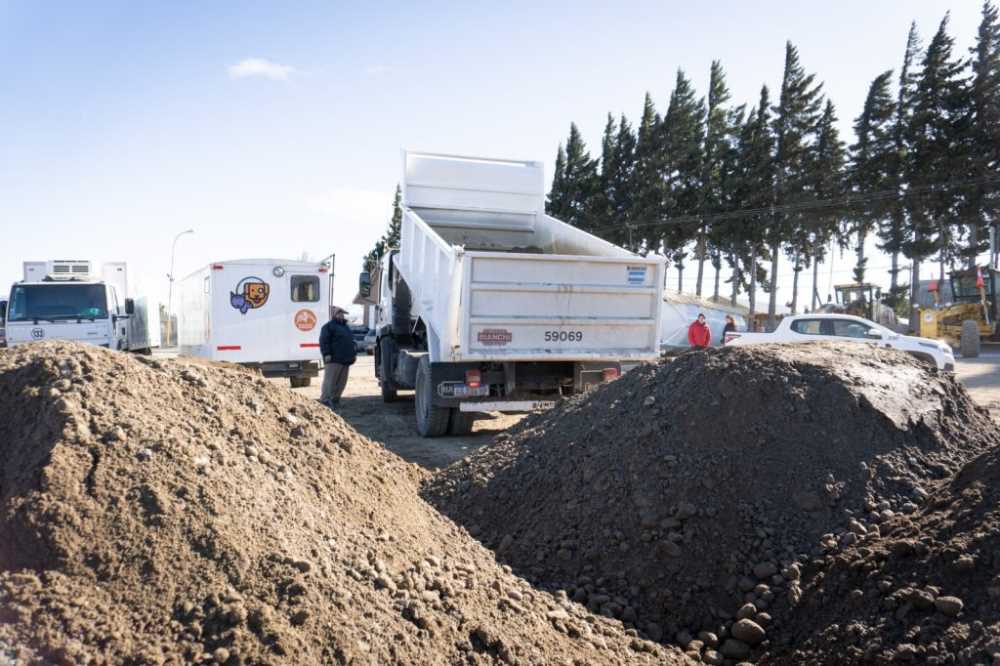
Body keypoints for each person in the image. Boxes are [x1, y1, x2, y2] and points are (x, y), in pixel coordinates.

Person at [319, 307, 357, 406]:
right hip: (333, 360)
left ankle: (335, 399)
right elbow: (324, 341)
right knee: (330, 382)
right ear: (334, 315)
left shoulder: (346, 327)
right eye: (339, 313)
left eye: (342, 313)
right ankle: (325, 400)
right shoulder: (328, 327)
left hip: (346, 360)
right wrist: (327, 354)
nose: (341, 315)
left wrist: (353, 354)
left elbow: (351, 342)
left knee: (341, 383)